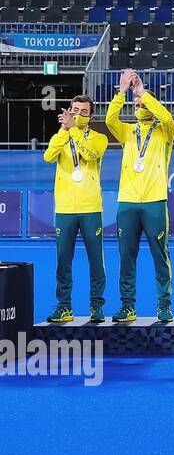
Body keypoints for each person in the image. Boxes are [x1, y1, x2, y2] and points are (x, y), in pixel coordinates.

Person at [105, 70, 174, 324]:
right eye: (136, 105)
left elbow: (167, 116)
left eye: (143, 104)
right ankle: (127, 307)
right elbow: (109, 120)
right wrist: (122, 92)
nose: (140, 107)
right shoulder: (127, 132)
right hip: (127, 202)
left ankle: (164, 305)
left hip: (154, 202)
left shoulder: (165, 131)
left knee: (160, 256)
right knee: (127, 257)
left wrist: (143, 93)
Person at [44, 95, 108, 323]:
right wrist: (64, 130)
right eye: (75, 110)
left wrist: (73, 130)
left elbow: (90, 154)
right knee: (63, 260)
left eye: (83, 111)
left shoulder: (99, 138)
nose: (78, 114)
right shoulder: (61, 136)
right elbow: (48, 156)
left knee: (95, 260)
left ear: (90, 116)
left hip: (91, 207)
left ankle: (96, 306)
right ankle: (64, 307)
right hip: (64, 208)